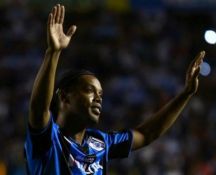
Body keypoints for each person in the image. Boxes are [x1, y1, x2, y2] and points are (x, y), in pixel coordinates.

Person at [24, 4, 205, 175]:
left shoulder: (100, 143)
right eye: (90, 90)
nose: (98, 98)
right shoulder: (47, 139)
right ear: (64, 97)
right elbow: (38, 108)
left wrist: (185, 94)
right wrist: (53, 53)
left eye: (100, 94)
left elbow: (146, 134)